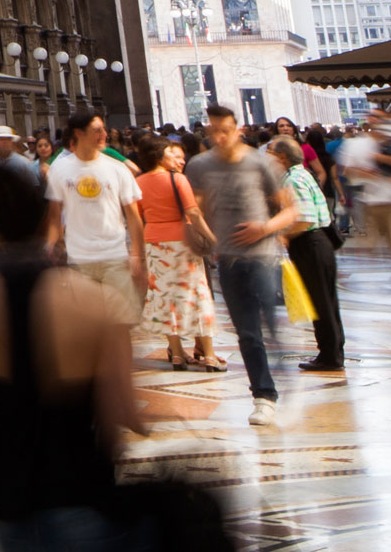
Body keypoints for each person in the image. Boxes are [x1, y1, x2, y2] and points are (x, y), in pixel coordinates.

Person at [0, 159, 154, 552]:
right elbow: (124, 416)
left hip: (11, 496)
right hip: (82, 491)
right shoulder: (95, 301)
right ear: (47, 220)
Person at [186, 105, 301, 425]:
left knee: (270, 326)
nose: (220, 137)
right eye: (213, 131)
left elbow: (290, 210)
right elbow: (196, 209)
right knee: (248, 332)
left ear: (237, 130)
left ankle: (278, 377)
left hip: (263, 256)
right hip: (228, 260)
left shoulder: (259, 163)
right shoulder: (199, 166)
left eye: (225, 130)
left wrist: (264, 228)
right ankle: (264, 396)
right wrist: (197, 233)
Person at [45, 112, 146, 332]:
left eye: (104, 129)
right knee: (85, 326)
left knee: (120, 325)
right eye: (97, 130)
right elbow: (54, 215)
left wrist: (138, 255)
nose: (104, 134)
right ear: (79, 133)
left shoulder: (117, 168)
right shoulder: (59, 169)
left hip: (115, 257)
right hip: (78, 259)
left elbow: (133, 215)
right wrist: (53, 247)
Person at [128, 132, 219, 373]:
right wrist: (210, 238)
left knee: (165, 297)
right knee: (196, 294)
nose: (174, 156)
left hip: (154, 243)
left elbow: (136, 216)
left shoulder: (138, 183)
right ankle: (209, 356)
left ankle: (177, 354)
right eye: (169, 152)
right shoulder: (177, 179)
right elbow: (194, 213)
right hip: (181, 242)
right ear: (159, 155)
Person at [265, 136, 346, 374]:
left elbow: (304, 218)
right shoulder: (302, 174)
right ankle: (331, 352)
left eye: (270, 151)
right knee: (325, 300)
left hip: (310, 243)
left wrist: (284, 235)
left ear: (282, 157)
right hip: (316, 243)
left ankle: (330, 355)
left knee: (321, 301)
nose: (266, 155)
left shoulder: (294, 179)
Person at [340, 110, 391, 305]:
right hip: (373, 201)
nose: (375, 120)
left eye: (379, 117)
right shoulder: (357, 144)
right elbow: (348, 171)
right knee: (375, 245)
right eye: (372, 116)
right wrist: (370, 174)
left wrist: (382, 159)